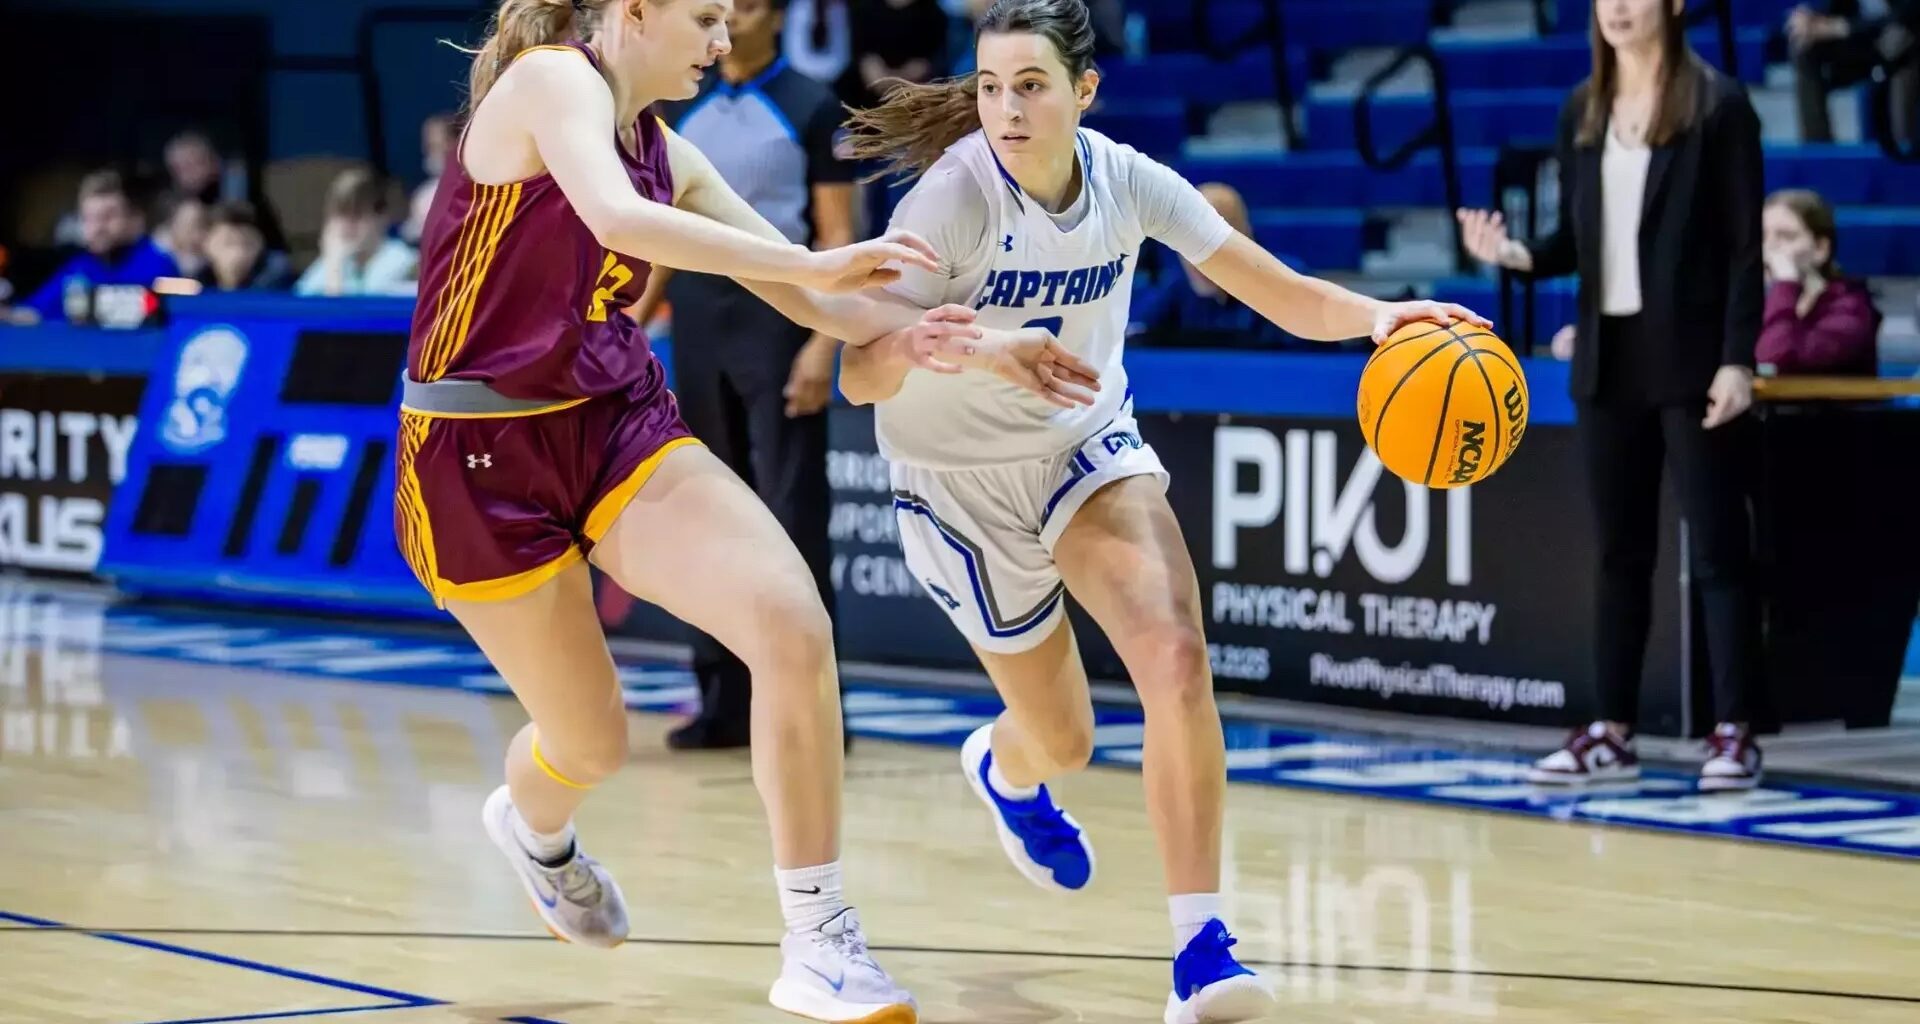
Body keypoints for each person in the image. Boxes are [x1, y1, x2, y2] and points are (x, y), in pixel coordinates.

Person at [398, 1, 1092, 1021]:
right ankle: (535, 829)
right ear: (634, 9)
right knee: (589, 741)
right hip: (476, 453)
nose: (724, 44)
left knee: (791, 620)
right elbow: (620, 222)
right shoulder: (554, 82)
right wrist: (806, 265)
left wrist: (985, 343)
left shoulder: (666, 150)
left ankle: (819, 942)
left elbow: (823, 301)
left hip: (610, 420)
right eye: (708, 18)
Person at [837, 2, 1484, 1020]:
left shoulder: (1127, 180)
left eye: (1032, 86)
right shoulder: (949, 201)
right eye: (992, 86)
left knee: (1177, 657)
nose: (1007, 108)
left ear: (1084, 90)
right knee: (1063, 739)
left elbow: (1271, 288)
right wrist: (934, 343)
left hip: (1081, 448)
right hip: (958, 481)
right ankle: (1007, 770)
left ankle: (1200, 951)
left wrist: (1377, 319)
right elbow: (859, 372)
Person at [1457, 0, 1767, 790]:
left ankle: (1734, 731)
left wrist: (1738, 361)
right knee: (1618, 555)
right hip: (1608, 361)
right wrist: (1516, 253)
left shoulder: (1719, 106)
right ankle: (1611, 730)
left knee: (1721, 549)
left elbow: (1742, 250)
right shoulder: (1583, 109)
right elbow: (1579, 239)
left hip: (1694, 360)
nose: (1618, 9)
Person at [636, 0, 859, 751]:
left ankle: (819, 713)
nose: (730, 21)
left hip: (778, 321)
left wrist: (821, 346)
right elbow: (665, 232)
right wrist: (635, 320)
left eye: (750, 7)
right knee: (706, 516)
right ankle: (723, 704)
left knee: (791, 520)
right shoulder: (679, 104)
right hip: (698, 321)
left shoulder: (811, 104)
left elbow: (835, 238)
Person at [7, 171, 179, 326]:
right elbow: (32, 314)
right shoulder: (79, 268)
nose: (97, 228)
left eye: (108, 217)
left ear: (135, 220)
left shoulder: (158, 265)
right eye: (88, 218)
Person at [1758, 188, 1882, 376]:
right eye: (1762, 236)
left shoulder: (1851, 309)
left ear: (1820, 248)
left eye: (1786, 236)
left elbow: (1775, 357)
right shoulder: (1748, 303)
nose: (1769, 247)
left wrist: (1785, 283)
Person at [294, 168, 419, 297]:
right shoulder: (333, 259)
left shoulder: (405, 263)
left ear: (381, 217)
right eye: (341, 215)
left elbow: (350, 312)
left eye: (356, 216)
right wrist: (332, 261)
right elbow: (302, 301)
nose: (347, 225)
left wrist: (334, 269)